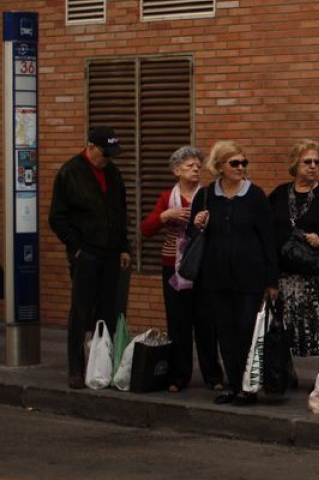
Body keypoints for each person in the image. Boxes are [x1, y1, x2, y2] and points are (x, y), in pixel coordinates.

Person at [190, 141, 278, 406]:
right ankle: (230, 385)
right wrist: (197, 224)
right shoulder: (205, 196)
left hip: (249, 277)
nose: (241, 168)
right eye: (235, 163)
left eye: (243, 163)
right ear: (219, 167)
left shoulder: (255, 196)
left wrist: (271, 280)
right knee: (224, 332)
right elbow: (193, 236)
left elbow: (268, 240)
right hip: (215, 277)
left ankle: (246, 387)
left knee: (245, 330)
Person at [49, 125, 131, 389]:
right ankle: (76, 367)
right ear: (91, 147)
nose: (108, 159)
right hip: (85, 252)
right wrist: (76, 249)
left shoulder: (113, 173)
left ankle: (102, 363)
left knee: (108, 309)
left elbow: (120, 213)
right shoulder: (70, 172)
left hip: (110, 252)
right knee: (81, 310)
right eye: (104, 153)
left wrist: (124, 247)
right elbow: (57, 218)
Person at [140, 146, 224, 393]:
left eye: (198, 165)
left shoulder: (209, 195)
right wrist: (166, 215)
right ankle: (179, 375)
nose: (196, 169)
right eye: (190, 166)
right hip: (173, 266)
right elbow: (146, 230)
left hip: (203, 266)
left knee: (206, 322)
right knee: (178, 322)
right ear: (177, 170)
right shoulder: (167, 197)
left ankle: (213, 375)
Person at [268, 140, 319, 372]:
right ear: (295, 164)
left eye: (317, 162)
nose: (313, 166)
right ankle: (286, 373)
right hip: (287, 274)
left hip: (317, 274)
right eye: (308, 161)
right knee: (285, 324)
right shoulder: (279, 194)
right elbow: (267, 229)